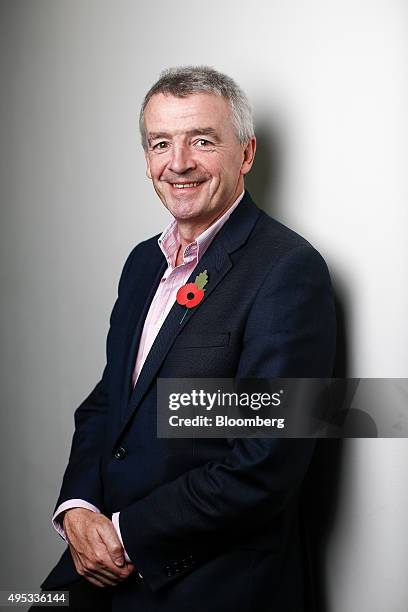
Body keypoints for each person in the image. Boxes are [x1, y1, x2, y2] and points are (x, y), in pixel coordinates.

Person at [35, 66, 336, 611]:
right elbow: (110, 404)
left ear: (245, 154)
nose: (178, 163)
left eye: (202, 140)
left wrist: (125, 534)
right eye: (160, 144)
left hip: (208, 584)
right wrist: (77, 509)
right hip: (100, 567)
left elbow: (267, 461)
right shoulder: (141, 263)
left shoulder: (289, 270)